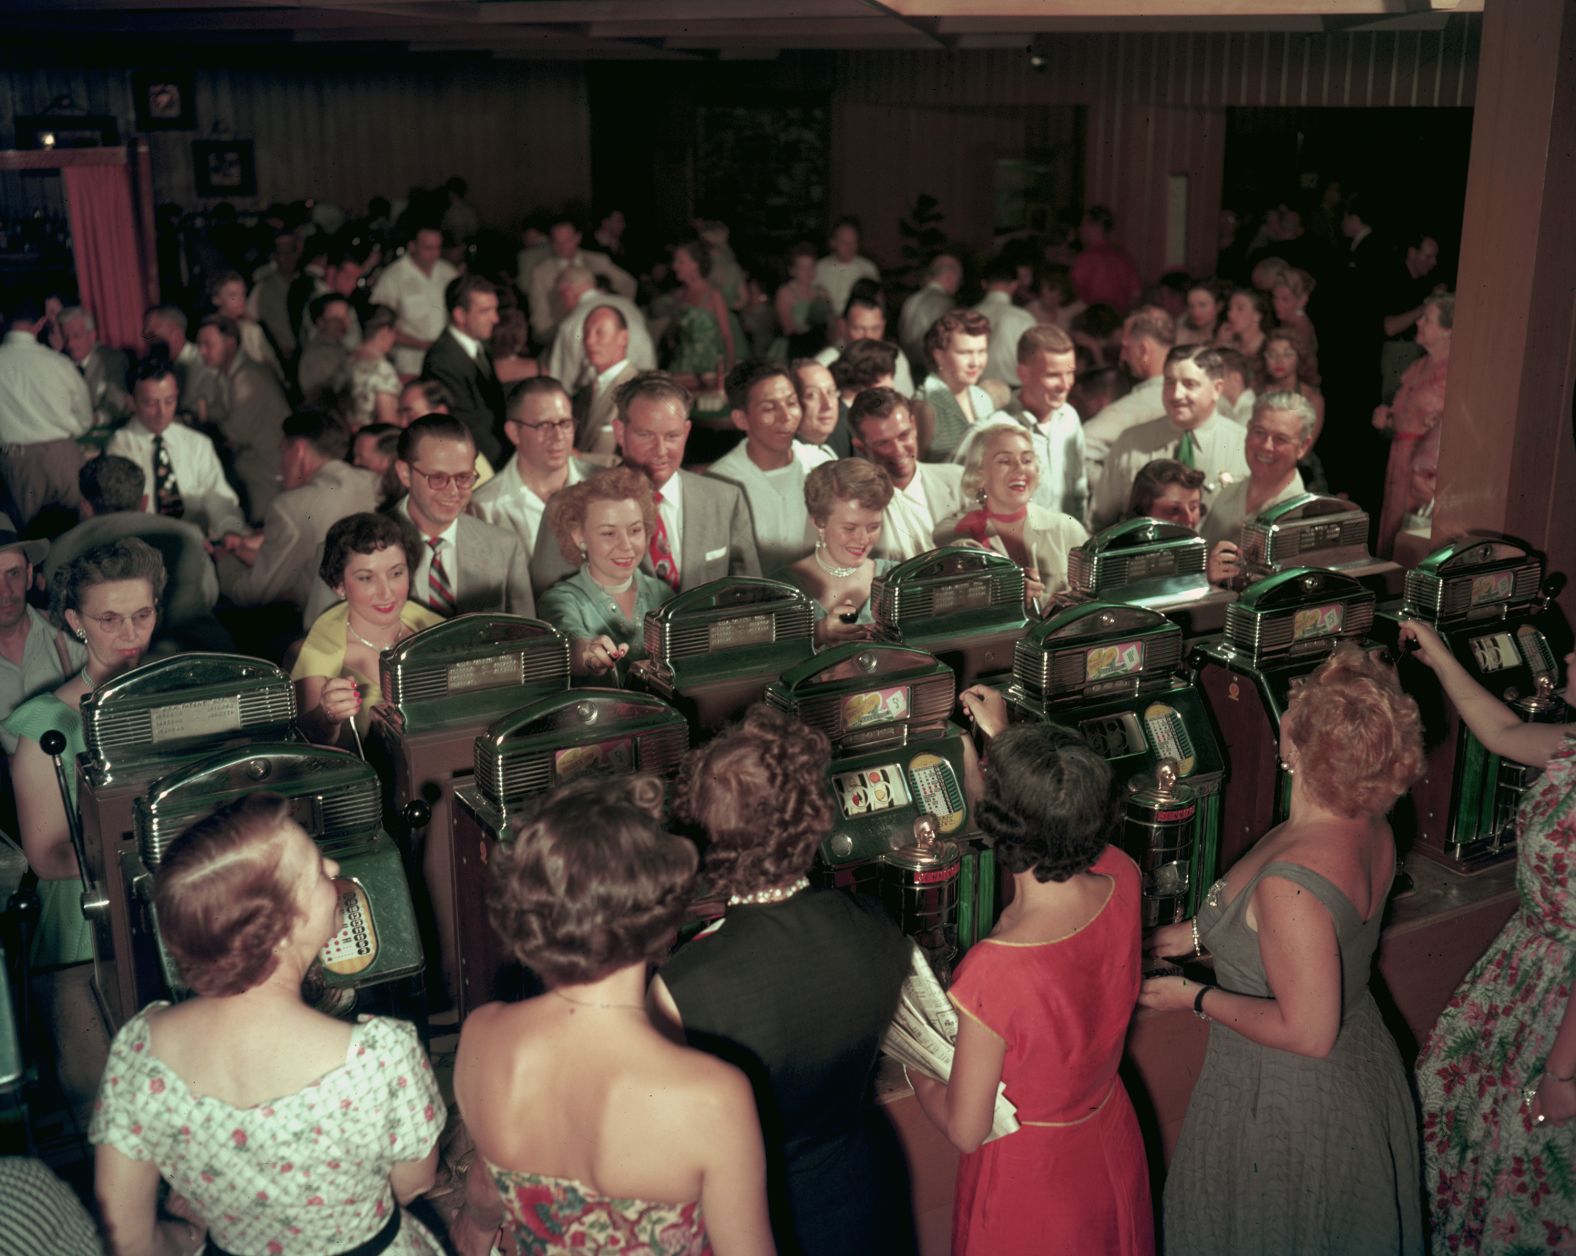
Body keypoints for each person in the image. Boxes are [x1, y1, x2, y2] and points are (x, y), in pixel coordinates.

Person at [1140, 646, 1426, 1254]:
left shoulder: (1293, 880)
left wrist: (1192, 997)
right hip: (1359, 1065)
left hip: (1289, 1098)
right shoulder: (1363, 820)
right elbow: (1259, 924)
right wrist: (1185, 938)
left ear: (1294, 749)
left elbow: (1308, 1031)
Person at [90, 792, 446, 1256]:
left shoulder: (139, 1051)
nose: (335, 869)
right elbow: (414, 1182)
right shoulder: (381, 1056)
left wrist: (192, 1232)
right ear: (280, 927)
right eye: (318, 871)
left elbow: (131, 1240)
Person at [451, 776, 773, 1256]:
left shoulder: (482, 1037)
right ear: (663, 921)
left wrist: (475, 1230)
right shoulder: (714, 1097)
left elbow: (485, 1185)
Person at [651, 706, 915, 1256]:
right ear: (813, 817)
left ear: (703, 834)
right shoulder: (874, 922)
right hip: (859, 1193)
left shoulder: (684, 984)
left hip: (744, 1221)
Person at [909, 708, 1153, 1256]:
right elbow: (1062, 809)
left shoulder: (995, 969)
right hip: (1107, 1133)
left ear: (993, 822)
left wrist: (916, 1064)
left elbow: (967, 1129)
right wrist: (1013, 751)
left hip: (1032, 1176)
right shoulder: (1122, 874)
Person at [1402, 620, 1576, 1252]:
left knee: (1528, 1175)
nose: (1571, 656)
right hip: (1527, 972)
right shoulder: (1574, 743)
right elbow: (1501, 731)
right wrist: (1440, 657)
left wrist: (1561, 1075)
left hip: (1561, 1007)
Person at [3, 539, 163, 968]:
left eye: (142, 615)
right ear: (76, 621)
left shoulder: (175, 694)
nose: (129, 634)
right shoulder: (51, 724)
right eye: (108, 619)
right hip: (91, 923)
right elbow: (48, 858)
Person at [526, 372, 761, 596]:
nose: (660, 451)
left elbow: (751, 604)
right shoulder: (568, 506)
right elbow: (549, 614)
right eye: (646, 435)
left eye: (672, 436)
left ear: (687, 431)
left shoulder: (726, 500)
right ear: (620, 432)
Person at [293, 511, 443, 747]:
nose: (386, 592)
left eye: (396, 573)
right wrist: (327, 717)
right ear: (339, 585)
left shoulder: (437, 630)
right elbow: (307, 740)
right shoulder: (317, 654)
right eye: (366, 578)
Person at [217, 409, 381, 614]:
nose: (280, 464)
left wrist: (223, 559)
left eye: (282, 451)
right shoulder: (375, 483)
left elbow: (251, 594)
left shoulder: (288, 506)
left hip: (321, 626)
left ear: (298, 450)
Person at [1091, 344, 1251, 532]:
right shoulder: (1132, 442)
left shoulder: (1244, 445)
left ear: (1217, 388)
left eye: (1189, 384)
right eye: (1169, 382)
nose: (1176, 394)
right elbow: (1099, 521)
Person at [936, 418, 1088, 611]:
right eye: (1005, 461)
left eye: (1027, 460)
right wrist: (1005, 593)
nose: (1020, 469)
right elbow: (947, 606)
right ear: (980, 473)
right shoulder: (956, 532)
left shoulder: (1065, 528)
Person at [538, 466, 675, 679]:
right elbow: (570, 639)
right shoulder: (560, 600)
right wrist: (588, 654)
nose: (626, 545)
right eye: (609, 533)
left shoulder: (662, 593)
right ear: (578, 536)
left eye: (635, 530)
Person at [706, 361, 833, 571]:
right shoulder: (719, 482)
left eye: (791, 403)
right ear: (741, 419)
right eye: (769, 408)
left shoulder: (821, 464)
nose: (786, 417)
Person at [770, 459, 896, 647]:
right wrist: (817, 634)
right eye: (850, 528)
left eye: (873, 527)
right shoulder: (779, 588)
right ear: (819, 522)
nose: (863, 539)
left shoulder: (896, 577)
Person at [468, 377, 593, 565]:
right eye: (544, 425)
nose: (558, 436)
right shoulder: (483, 508)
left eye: (565, 424)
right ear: (514, 432)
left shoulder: (603, 485)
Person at [1199, 392, 1316, 580]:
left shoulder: (1307, 518)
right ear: (1247, 430)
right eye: (1259, 432)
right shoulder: (1225, 495)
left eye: (1280, 439)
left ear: (1303, 446)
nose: (1266, 446)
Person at [1373, 291, 1452, 558]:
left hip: (1424, 469)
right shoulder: (1419, 365)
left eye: (1427, 319)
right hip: (1400, 458)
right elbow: (1403, 414)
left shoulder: (1454, 371)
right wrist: (1387, 416)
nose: (1418, 323)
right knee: (1392, 528)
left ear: (1447, 329)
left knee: (1412, 536)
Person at [849, 388, 965, 562]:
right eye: (883, 443)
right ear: (861, 447)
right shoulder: (852, 504)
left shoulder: (958, 481)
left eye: (904, 435)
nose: (898, 450)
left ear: (914, 425)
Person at [421, 274, 506, 465]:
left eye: (495, 309)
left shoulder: (479, 346)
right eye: (485, 311)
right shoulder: (442, 361)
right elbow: (467, 426)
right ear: (460, 315)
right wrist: (508, 463)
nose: (496, 318)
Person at [369, 224, 460, 379]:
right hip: (409, 365)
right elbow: (379, 324)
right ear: (412, 247)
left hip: (446, 362)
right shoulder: (393, 277)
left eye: (438, 248)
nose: (435, 254)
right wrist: (423, 345)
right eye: (428, 248)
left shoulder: (449, 272)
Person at [915, 309, 996, 460]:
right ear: (938, 355)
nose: (975, 363)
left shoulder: (983, 397)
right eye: (964, 353)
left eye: (982, 351)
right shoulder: (924, 405)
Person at [664, 238, 737, 377]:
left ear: (695, 264)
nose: (675, 266)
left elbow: (727, 335)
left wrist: (729, 368)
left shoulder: (713, 295)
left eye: (680, 262)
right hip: (681, 366)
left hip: (708, 367)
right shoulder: (679, 295)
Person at [1070, 205, 1142, 315]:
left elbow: (1072, 292)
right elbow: (1136, 295)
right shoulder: (1124, 257)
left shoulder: (1086, 258)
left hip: (1092, 322)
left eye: (1083, 225)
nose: (1081, 230)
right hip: (1117, 322)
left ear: (1094, 226)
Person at [897, 253, 961, 374]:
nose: (959, 285)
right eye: (959, 278)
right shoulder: (945, 303)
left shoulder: (912, 299)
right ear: (951, 277)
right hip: (931, 368)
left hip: (907, 365)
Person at [813, 217, 881, 322]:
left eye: (854, 242)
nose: (850, 247)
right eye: (845, 243)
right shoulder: (819, 268)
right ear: (833, 243)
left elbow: (878, 302)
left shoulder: (868, 268)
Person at [348, 303, 403, 428]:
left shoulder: (347, 361)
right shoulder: (382, 369)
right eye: (395, 332)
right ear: (384, 332)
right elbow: (388, 422)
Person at [774, 243, 833, 359]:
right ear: (792, 270)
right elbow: (788, 329)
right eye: (802, 268)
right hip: (795, 348)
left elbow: (831, 323)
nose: (808, 272)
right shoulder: (785, 293)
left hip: (820, 346)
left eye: (811, 267)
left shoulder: (821, 292)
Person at [1215, 286, 1273, 359]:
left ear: (1257, 315)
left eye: (1240, 309)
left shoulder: (1270, 347)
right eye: (1230, 308)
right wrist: (1218, 344)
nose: (1230, 314)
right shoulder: (1230, 347)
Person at [1176, 278, 1228, 347]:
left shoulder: (1230, 336)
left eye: (1202, 305)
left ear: (1219, 306)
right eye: (1191, 306)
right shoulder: (1181, 335)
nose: (1195, 311)